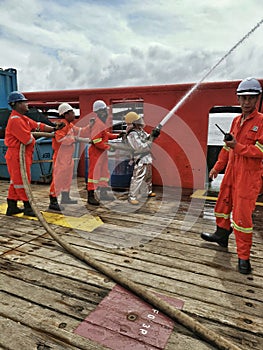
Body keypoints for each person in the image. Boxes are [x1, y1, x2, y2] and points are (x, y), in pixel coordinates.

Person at [201, 77, 263, 274]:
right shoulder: (236, 120)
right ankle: (221, 235)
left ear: (257, 99)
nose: (246, 102)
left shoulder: (262, 122)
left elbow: (260, 151)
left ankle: (243, 257)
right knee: (222, 204)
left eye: (250, 98)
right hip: (231, 173)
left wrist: (239, 146)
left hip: (249, 176)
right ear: (238, 99)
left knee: (242, 217)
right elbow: (227, 149)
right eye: (243, 98)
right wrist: (217, 167)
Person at [4, 91, 65, 217]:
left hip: (22, 155)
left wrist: (54, 128)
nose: (27, 104)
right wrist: (33, 137)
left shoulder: (23, 118)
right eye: (24, 102)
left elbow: (38, 126)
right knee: (22, 181)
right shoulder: (15, 120)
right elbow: (27, 140)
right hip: (17, 156)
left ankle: (12, 206)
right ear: (16, 104)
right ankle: (28, 207)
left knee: (15, 181)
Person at [49, 103, 91, 211]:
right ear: (65, 114)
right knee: (58, 178)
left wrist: (90, 126)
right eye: (72, 112)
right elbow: (60, 140)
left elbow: (80, 131)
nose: (74, 114)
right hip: (61, 157)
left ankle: (65, 197)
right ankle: (53, 200)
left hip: (68, 156)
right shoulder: (61, 125)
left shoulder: (69, 125)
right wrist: (72, 139)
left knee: (67, 178)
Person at [87, 100, 121, 206]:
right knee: (94, 174)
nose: (106, 113)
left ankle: (103, 192)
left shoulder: (101, 123)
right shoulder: (98, 123)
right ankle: (90, 196)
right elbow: (96, 140)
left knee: (103, 173)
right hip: (96, 153)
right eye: (104, 111)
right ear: (99, 112)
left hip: (101, 153)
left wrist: (117, 135)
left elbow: (105, 135)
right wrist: (108, 147)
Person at [124, 111, 160, 205]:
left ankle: (147, 191)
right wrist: (151, 138)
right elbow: (140, 147)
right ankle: (132, 196)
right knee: (138, 177)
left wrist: (153, 134)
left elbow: (147, 138)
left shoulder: (140, 130)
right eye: (138, 120)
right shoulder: (132, 134)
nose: (141, 121)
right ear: (134, 122)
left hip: (147, 157)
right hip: (140, 157)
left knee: (148, 176)